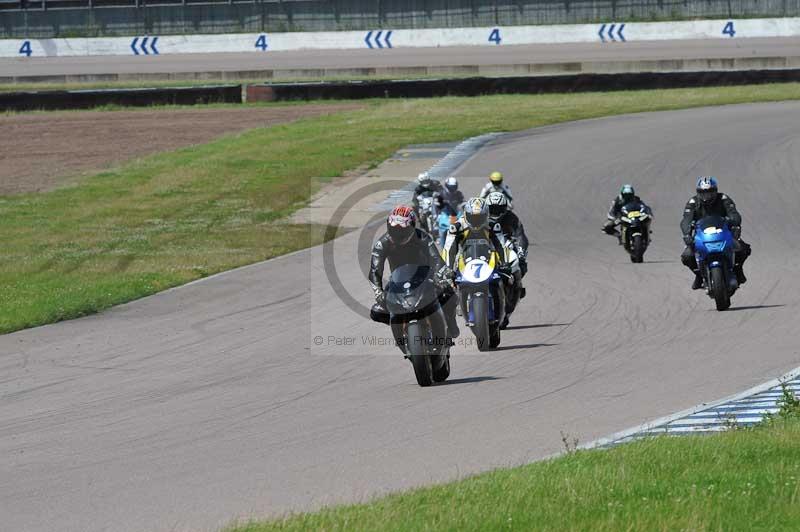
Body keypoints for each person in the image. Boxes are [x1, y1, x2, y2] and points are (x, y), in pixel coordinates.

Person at [369, 206, 460, 351]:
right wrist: (378, 292)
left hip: (425, 278)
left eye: (402, 230)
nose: (398, 234)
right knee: (376, 311)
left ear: (411, 227)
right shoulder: (383, 243)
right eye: (394, 230)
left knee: (449, 293)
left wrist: (442, 275)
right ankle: (400, 331)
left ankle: (450, 323)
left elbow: (436, 259)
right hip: (398, 282)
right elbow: (375, 270)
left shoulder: (422, 237)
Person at [680, 176, 751, 290]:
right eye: (703, 193)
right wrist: (687, 234)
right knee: (687, 256)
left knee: (743, 249)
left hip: (723, 232)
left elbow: (734, 213)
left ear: (715, 191)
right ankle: (699, 275)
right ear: (698, 192)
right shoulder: (692, 202)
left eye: (710, 192)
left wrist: (735, 224)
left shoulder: (724, 199)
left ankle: (738, 270)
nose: (706, 196)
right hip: (701, 235)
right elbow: (686, 220)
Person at [485, 191, 529, 278]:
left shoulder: (511, 218)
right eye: (492, 209)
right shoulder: (481, 217)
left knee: (520, 266)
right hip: (485, 247)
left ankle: (516, 286)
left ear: (504, 208)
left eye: (498, 209)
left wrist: (521, 255)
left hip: (507, 247)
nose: (495, 212)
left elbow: (521, 236)